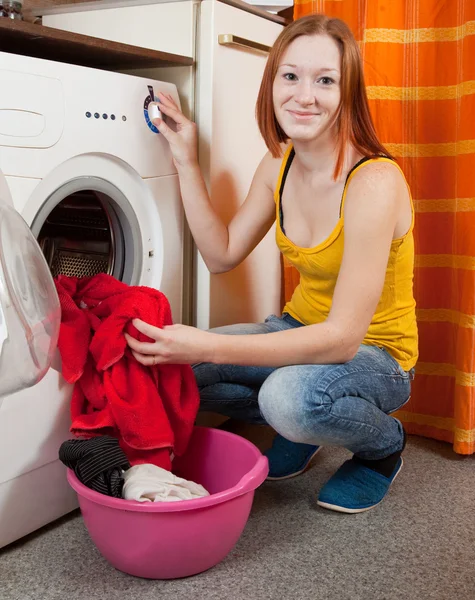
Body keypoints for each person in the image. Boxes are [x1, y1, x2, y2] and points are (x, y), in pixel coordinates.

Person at [125, 13, 418, 514]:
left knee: (287, 398)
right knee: (184, 371)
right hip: (297, 329)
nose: (305, 95)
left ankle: (382, 448)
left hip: (376, 354)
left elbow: (345, 337)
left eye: (325, 80)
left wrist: (211, 343)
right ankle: (301, 428)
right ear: (272, 83)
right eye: (291, 76)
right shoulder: (277, 163)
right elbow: (220, 254)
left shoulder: (374, 180)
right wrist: (185, 159)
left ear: (347, 93)